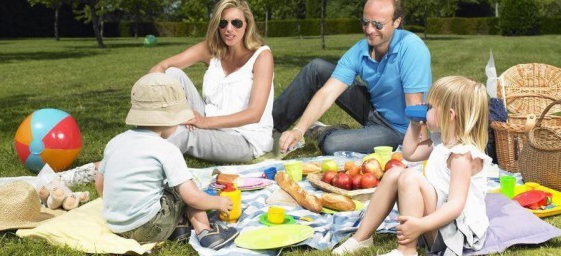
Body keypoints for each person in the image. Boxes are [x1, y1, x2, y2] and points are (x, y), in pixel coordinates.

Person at [332, 76, 492, 256]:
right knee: (394, 173)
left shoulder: (462, 157)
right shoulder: (442, 141)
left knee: (409, 177)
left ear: (450, 116)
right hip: (434, 223)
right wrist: (415, 127)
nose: (425, 109)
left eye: (430, 107)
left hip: (453, 233)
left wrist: (421, 224)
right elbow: (410, 153)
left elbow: (455, 205)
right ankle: (361, 237)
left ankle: (407, 251)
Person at [95, 73, 239, 250]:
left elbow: (100, 185)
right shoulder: (166, 149)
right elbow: (192, 197)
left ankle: (179, 228)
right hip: (151, 227)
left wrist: (121, 205)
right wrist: (217, 202)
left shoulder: (115, 142)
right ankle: (205, 231)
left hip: (117, 226)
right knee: (185, 190)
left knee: (163, 187)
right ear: (172, 120)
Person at [273, 0, 431, 155]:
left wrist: (419, 148)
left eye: (377, 24)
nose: (369, 30)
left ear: (396, 22)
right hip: (372, 109)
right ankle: (268, 129)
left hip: (397, 129)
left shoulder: (411, 48)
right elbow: (329, 92)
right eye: (365, 22)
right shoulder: (360, 50)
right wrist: (298, 130)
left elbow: (415, 107)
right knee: (317, 68)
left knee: (333, 144)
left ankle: (323, 131)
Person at [149, 0, 274, 163]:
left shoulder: (262, 57)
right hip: (207, 118)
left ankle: (135, 163)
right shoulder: (211, 49)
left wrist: (204, 122)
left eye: (236, 23)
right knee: (172, 74)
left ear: (247, 25)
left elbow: (254, 114)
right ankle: (150, 134)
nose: (229, 29)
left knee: (182, 133)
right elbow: (161, 67)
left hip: (243, 137)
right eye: (223, 23)